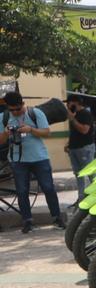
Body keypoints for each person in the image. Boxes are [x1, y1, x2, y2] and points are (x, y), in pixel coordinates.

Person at [1, 92, 64, 233]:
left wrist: (31, 130)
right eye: (12, 110)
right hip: (18, 160)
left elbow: (47, 132)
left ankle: (57, 218)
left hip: (39, 158)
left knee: (48, 188)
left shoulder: (35, 113)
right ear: (7, 108)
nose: (16, 112)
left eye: (18, 108)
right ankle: (27, 221)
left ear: (23, 103)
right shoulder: (3, 118)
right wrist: (6, 133)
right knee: (22, 191)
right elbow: (1, 141)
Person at [64, 93, 96, 199]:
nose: (67, 106)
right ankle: (81, 197)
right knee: (78, 174)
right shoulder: (74, 115)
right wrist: (68, 143)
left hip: (84, 148)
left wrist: (73, 119)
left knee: (90, 173)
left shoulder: (85, 114)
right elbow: (74, 132)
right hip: (74, 148)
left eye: (69, 103)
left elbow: (84, 130)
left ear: (75, 103)